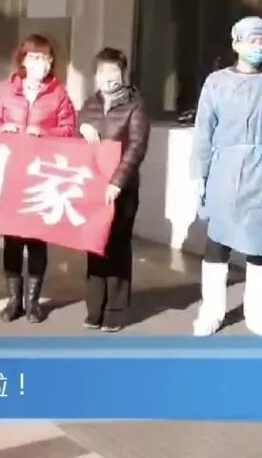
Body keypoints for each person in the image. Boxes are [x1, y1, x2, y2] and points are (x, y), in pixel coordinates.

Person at [191, 16, 262, 337]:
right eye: (251, 40)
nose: (257, 46)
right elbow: (203, 131)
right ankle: (211, 311)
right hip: (223, 169)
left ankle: (258, 313)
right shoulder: (217, 82)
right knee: (217, 243)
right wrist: (199, 174)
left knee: (259, 245)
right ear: (236, 43)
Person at [0, 33, 78, 323]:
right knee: (13, 239)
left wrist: (45, 133)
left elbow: (69, 129)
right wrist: (3, 129)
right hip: (12, 172)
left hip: (42, 173)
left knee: (37, 240)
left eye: (46, 58)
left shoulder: (58, 93)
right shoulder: (5, 89)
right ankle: (14, 300)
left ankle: (33, 301)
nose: (41, 63)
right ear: (23, 59)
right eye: (35, 57)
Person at [77, 47, 151, 332]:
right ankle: (94, 308)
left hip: (123, 188)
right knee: (95, 245)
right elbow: (76, 138)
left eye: (114, 72)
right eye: (103, 72)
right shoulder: (90, 104)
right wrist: (82, 128)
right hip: (94, 186)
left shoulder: (135, 105)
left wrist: (117, 182)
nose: (108, 78)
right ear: (95, 75)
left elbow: (137, 147)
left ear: (123, 74)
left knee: (118, 247)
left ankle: (116, 310)